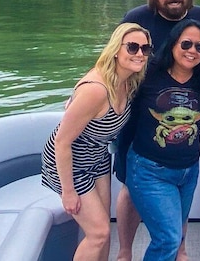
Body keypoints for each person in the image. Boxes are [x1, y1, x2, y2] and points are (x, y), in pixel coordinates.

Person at [115, 0, 200, 261]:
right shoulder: (137, 18)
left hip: (182, 130)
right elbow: (112, 60)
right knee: (130, 188)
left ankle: (179, 249)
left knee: (176, 211)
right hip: (136, 123)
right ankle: (124, 251)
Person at [41, 23, 152, 261]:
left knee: (104, 232)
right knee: (98, 233)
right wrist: (68, 191)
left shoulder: (129, 82)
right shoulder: (97, 90)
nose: (140, 54)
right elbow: (62, 142)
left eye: (145, 48)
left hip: (98, 157)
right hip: (69, 163)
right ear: (115, 50)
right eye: (132, 47)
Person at [126, 19, 200, 260]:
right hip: (149, 169)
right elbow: (112, 79)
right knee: (168, 239)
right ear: (173, 43)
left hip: (189, 171)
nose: (192, 51)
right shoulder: (149, 73)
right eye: (186, 43)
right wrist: (80, 93)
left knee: (177, 236)